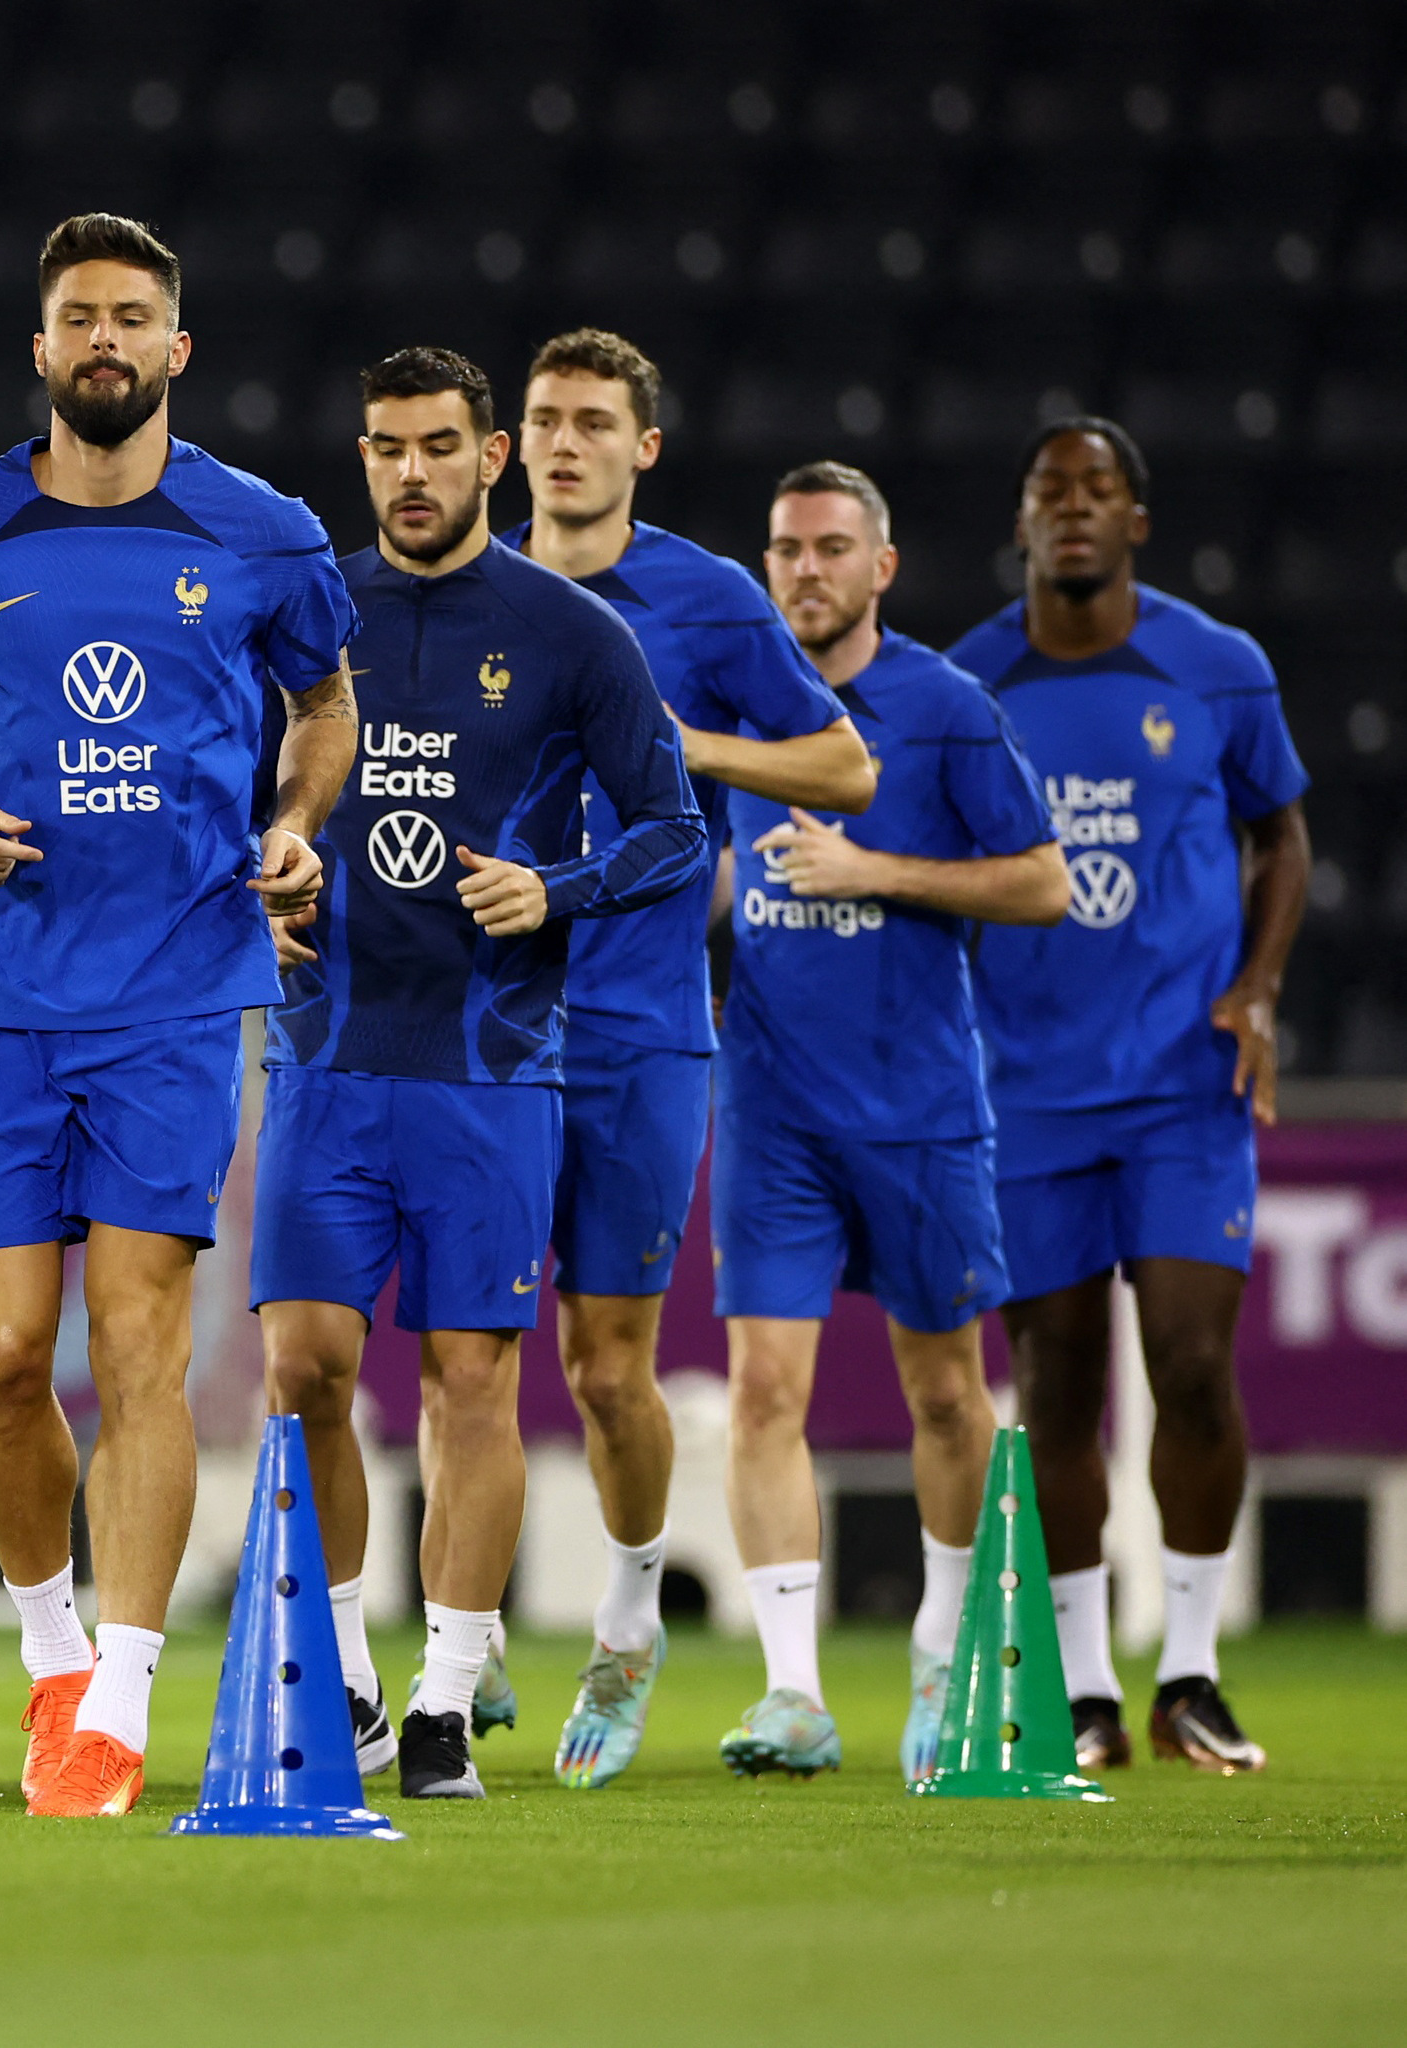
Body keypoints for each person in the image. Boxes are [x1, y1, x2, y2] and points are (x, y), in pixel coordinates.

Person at [0, 214, 357, 1818]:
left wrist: (295, 824)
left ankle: (115, 1709)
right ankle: (51, 1646)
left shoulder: (264, 535)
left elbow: (325, 702)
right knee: (2, 1358)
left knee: (139, 1345)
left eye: (133, 316)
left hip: (182, 986)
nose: (105, 341)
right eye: (79, 318)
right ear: (43, 349)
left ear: (176, 347)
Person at [259, 346, 705, 1801]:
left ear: (487, 457)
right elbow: (212, 779)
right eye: (383, 447)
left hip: (488, 1069)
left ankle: (446, 1694)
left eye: (435, 447)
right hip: (323, 1055)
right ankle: (341, 1680)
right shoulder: (304, 612)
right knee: (302, 1374)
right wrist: (254, 872)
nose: (406, 473)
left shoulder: (568, 632)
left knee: (470, 1383)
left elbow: (674, 829)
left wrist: (554, 892)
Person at [507, 329, 875, 1789]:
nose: (563, 443)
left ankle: (624, 1612)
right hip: (473, 1030)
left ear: (640, 448)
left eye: (594, 421)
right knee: (464, 1362)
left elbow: (842, 766)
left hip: (639, 1032)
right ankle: (446, 1663)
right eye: (541, 419)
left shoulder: (708, 600)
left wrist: (692, 751)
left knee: (604, 1371)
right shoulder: (450, 588)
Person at [952, 419, 1310, 1774]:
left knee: (1191, 1368)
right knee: (1049, 1391)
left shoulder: (1215, 670)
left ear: (1134, 522)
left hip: (1178, 1083)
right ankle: (1089, 1689)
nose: (1073, 511)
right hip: (1025, 1090)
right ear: (1022, 519)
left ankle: (1193, 1673)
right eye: (1049, 491)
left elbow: (1278, 831)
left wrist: (1258, 987)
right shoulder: (967, 678)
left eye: (1098, 491)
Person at [716, 462, 1068, 1782]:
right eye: (781, 548)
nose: (801, 570)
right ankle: (791, 1693)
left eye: (825, 549)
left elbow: (1042, 884)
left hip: (919, 1110)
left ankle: (940, 1655)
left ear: (880, 568)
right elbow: (705, 869)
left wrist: (873, 870)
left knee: (939, 1392)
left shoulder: (945, 711)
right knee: (761, 1389)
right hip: (768, 1108)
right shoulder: (736, 706)